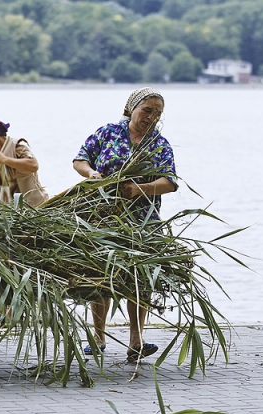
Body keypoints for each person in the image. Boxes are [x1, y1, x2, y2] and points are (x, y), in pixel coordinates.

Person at [72, 87, 178, 363]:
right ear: (132, 108)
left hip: (143, 223)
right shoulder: (108, 132)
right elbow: (80, 159)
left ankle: (136, 339)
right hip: (103, 216)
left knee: (139, 279)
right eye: (147, 110)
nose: (151, 117)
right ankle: (97, 337)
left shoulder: (159, 144)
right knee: (101, 274)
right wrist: (92, 173)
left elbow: (170, 182)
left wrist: (140, 189)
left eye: (157, 113)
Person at [0, 117, 49, 207]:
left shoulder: (17, 145)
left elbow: (33, 165)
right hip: (12, 215)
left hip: (36, 207)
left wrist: (5, 160)